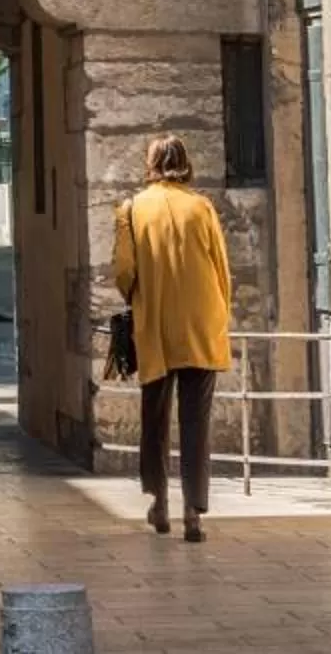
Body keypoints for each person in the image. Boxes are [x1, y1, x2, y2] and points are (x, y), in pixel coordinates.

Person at [113, 132, 233, 543]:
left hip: (156, 327)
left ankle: (159, 502)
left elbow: (123, 272)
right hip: (202, 325)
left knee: (155, 418)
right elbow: (222, 270)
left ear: (151, 163)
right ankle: (194, 512)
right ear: (185, 162)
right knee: (196, 422)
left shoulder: (132, 209)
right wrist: (220, 316)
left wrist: (139, 296)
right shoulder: (202, 208)